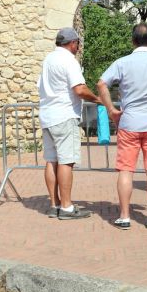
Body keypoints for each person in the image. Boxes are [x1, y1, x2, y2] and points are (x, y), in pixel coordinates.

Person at [97, 23, 147, 230]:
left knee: (125, 170)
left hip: (129, 122)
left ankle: (124, 216)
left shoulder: (122, 63)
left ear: (133, 40)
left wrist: (111, 110)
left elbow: (101, 84)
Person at [37, 27, 101, 220]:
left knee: (51, 160)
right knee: (66, 161)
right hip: (64, 115)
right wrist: (98, 99)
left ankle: (54, 204)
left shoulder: (48, 59)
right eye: (78, 44)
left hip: (47, 115)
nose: (78, 47)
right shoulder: (69, 60)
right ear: (73, 43)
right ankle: (66, 207)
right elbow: (80, 89)